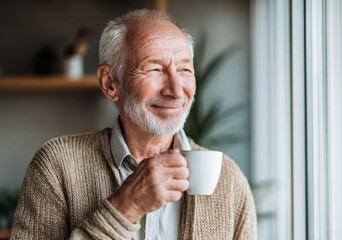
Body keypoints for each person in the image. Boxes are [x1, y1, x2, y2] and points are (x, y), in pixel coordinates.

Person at [11, 9, 257, 240]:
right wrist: (126, 207)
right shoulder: (56, 166)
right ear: (110, 84)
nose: (176, 90)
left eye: (184, 69)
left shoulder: (229, 180)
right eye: (155, 69)